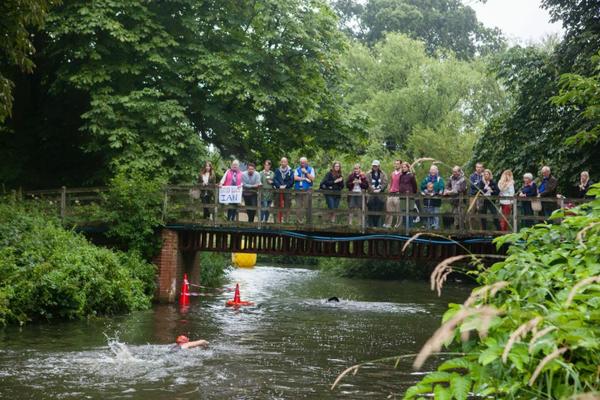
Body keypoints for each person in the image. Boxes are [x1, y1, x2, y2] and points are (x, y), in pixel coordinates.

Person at [419, 165, 445, 230]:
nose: (432, 171)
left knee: (436, 214)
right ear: (429, 171)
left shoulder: (439, 179)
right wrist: (426, 188)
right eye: (431, 170)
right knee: (428, 214)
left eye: (434, 170)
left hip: (436, 200)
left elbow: (441, 188)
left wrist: (437, 192)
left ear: (437, 171)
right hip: (427, 200)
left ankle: (436, 228)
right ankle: (428, 227)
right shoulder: (427, 178)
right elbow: (422, 186)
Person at [293, 157, 316, 223]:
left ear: (306, 162)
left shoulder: (311, 169)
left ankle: (307, 221)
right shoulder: (297, 169)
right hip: (298, 190)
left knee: (306, 206)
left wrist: (306, 173)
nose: (302, 164)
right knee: (298, 206)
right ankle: (299, 221)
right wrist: (304, 179)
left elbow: (312, 179)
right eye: (301, 163)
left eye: (303, 163)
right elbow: (295, 178)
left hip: (307, 190)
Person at [366, 160, 388, 227]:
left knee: (379, 210)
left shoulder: (383, 173)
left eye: (376, 166)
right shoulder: (368, 173)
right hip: (371, 195)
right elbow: (367, 182)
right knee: (370, 210)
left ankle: (379, 226)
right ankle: (370, 226)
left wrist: (380, 189)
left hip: (380, 195)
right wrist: (372, 190)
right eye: (373, 166)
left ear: (378, 166)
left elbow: (385, 182)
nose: (374, 167)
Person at [273, 157, 294, 223]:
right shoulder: (277, 170)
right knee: (277, 204)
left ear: (287, 162)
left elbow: (292, 180)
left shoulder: (290, 171)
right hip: (278, 190)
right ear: (280, 162)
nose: (283, 163)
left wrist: (285, 186)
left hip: (287, 190)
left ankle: (286, 221)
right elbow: (275, 179)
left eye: (284, 162)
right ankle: (277, 221)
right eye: (282, 162)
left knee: (287, 205)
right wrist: (279, 186)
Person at [398, 161, 418, 229]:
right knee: (403, 211)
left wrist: (412, 193)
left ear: (408, 168)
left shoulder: (411, 176)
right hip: (402, 196)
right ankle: (404, 227)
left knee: (410, 211)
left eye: (405, 167)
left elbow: (415, 186)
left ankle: (410, 227)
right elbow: (400, 184)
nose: (403, 168)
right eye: (402, 167)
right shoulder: (401, 176)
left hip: (410, 196)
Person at [383, 160, 403, 228]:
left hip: (398, 193)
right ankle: (388, 225)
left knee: (398, 211)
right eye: (395, 164)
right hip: (391, 193)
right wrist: (388, 191)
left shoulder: (402, 173)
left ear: (400, 165)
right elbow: (390, 183)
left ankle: (397, 226)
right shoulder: (392, 173)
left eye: (398, 164)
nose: (396, 165)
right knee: (389, 210)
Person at [468, 162, 485, 229]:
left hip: (481, 196)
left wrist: (479, 184)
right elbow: (472, 186)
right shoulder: (472, 176)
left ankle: (481, 229)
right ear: (476, 168)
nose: (479, 169)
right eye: (478, 167)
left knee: (480, 211)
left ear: (482, 168)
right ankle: (471, 229)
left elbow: (484, 186)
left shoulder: (484, 175)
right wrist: (479, 184)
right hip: (473, 195)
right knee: (472, 211)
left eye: (480, 167)